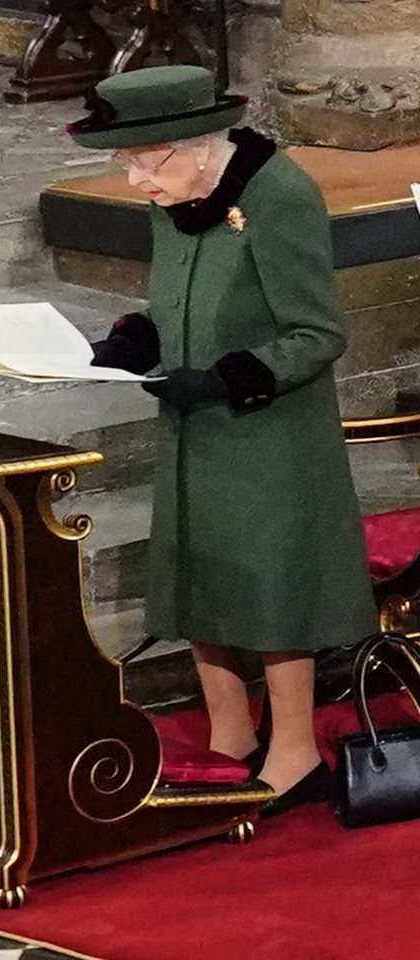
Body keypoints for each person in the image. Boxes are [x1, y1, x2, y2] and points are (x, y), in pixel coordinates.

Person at [66, 65, 378, 817]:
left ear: (202, 145)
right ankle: (230, 735)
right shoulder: (177, 192)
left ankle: (297, 751)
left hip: (269, 429)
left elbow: (317, 334)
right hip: (194, 426)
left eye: (149, 160)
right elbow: (172, 296)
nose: (138, 179)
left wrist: (227, 377)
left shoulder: (281, 199)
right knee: (200, 573)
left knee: (271, 586)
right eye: (127, 163)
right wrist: (136, 339)